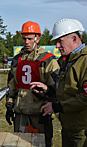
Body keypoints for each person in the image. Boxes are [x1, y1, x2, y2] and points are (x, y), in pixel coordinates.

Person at [30, 18, 87, 147]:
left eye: (60, 41)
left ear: (74, 38)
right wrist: (49, 90)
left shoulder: (84, 61)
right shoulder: (67, 61)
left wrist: (57, 107)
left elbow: (85, 96)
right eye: (56, 42)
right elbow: (69, 90)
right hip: (69, 127)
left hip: (82, 131)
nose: (57, 46)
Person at [5, 21, 60, 147]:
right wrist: (9, 107)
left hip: (39, 115)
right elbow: (11, 86)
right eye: (24, 38)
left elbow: (56, 89)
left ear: (38, 38)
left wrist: (48, 109)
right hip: (20, 114)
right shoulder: (16, 60)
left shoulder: (48, 60)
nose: (26, 42)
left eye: (30, 39)